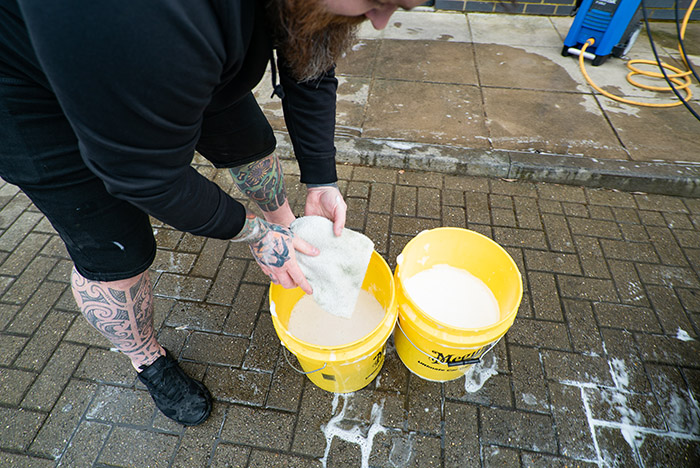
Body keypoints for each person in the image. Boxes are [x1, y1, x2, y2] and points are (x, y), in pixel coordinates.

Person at [0, 0, 424, 426]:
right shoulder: (148, 23)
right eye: (379, 0)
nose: (381, 19)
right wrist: (251, 233)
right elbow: (146, 178)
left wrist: (322, 180)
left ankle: (287, 232)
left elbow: (310, 63)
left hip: (181, 56)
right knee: (115, 252)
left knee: (249, 144)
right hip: (31, 95)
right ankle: (147, 359)